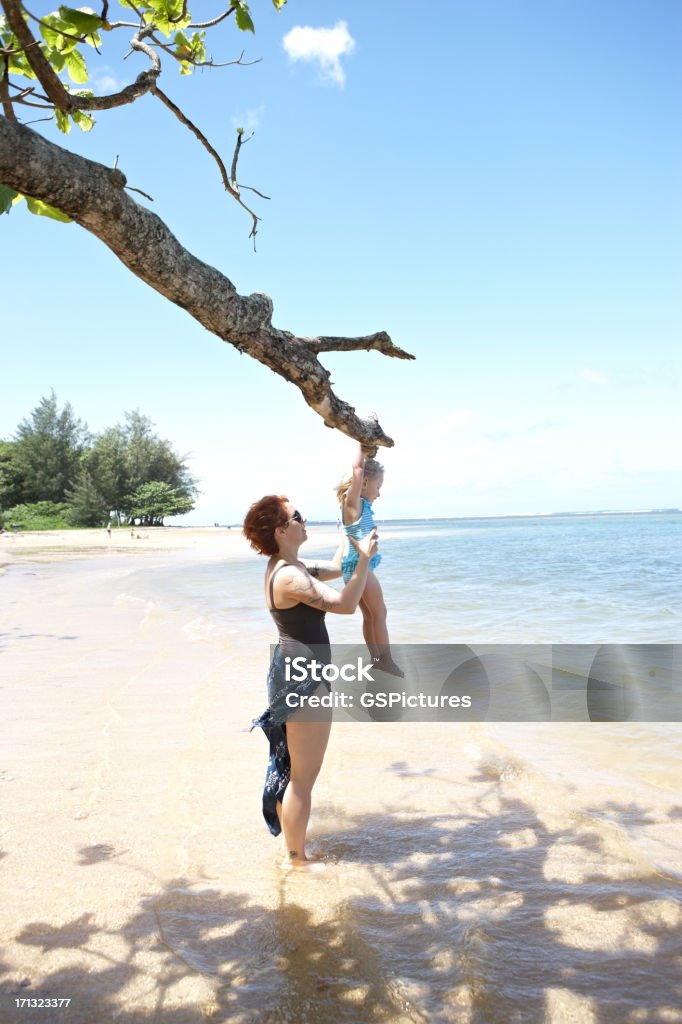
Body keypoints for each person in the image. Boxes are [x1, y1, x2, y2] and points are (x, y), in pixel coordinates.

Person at [243, 495, 378, 867]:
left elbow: (336, 567)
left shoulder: (290, 566)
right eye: (297, 517)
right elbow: (346, 605)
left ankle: (294, 851)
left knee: (298, 773)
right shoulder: (288, 576)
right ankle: (296, 860)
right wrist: (365, 559)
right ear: (281, 530)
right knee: (302, 778)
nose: (304, 520)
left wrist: (351, 527)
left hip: (297, 673)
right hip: (302, 679)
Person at [336, 443, 403, 677]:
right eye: (378, 486)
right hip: (359, 567)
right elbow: (357, 469)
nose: (380, 492)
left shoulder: (361, 506)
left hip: (355, 567)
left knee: (370, 615)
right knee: (380, 613)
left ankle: (376, 660)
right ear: (364, 483)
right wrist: (360, 447)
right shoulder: (353, 504)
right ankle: (386, 661)